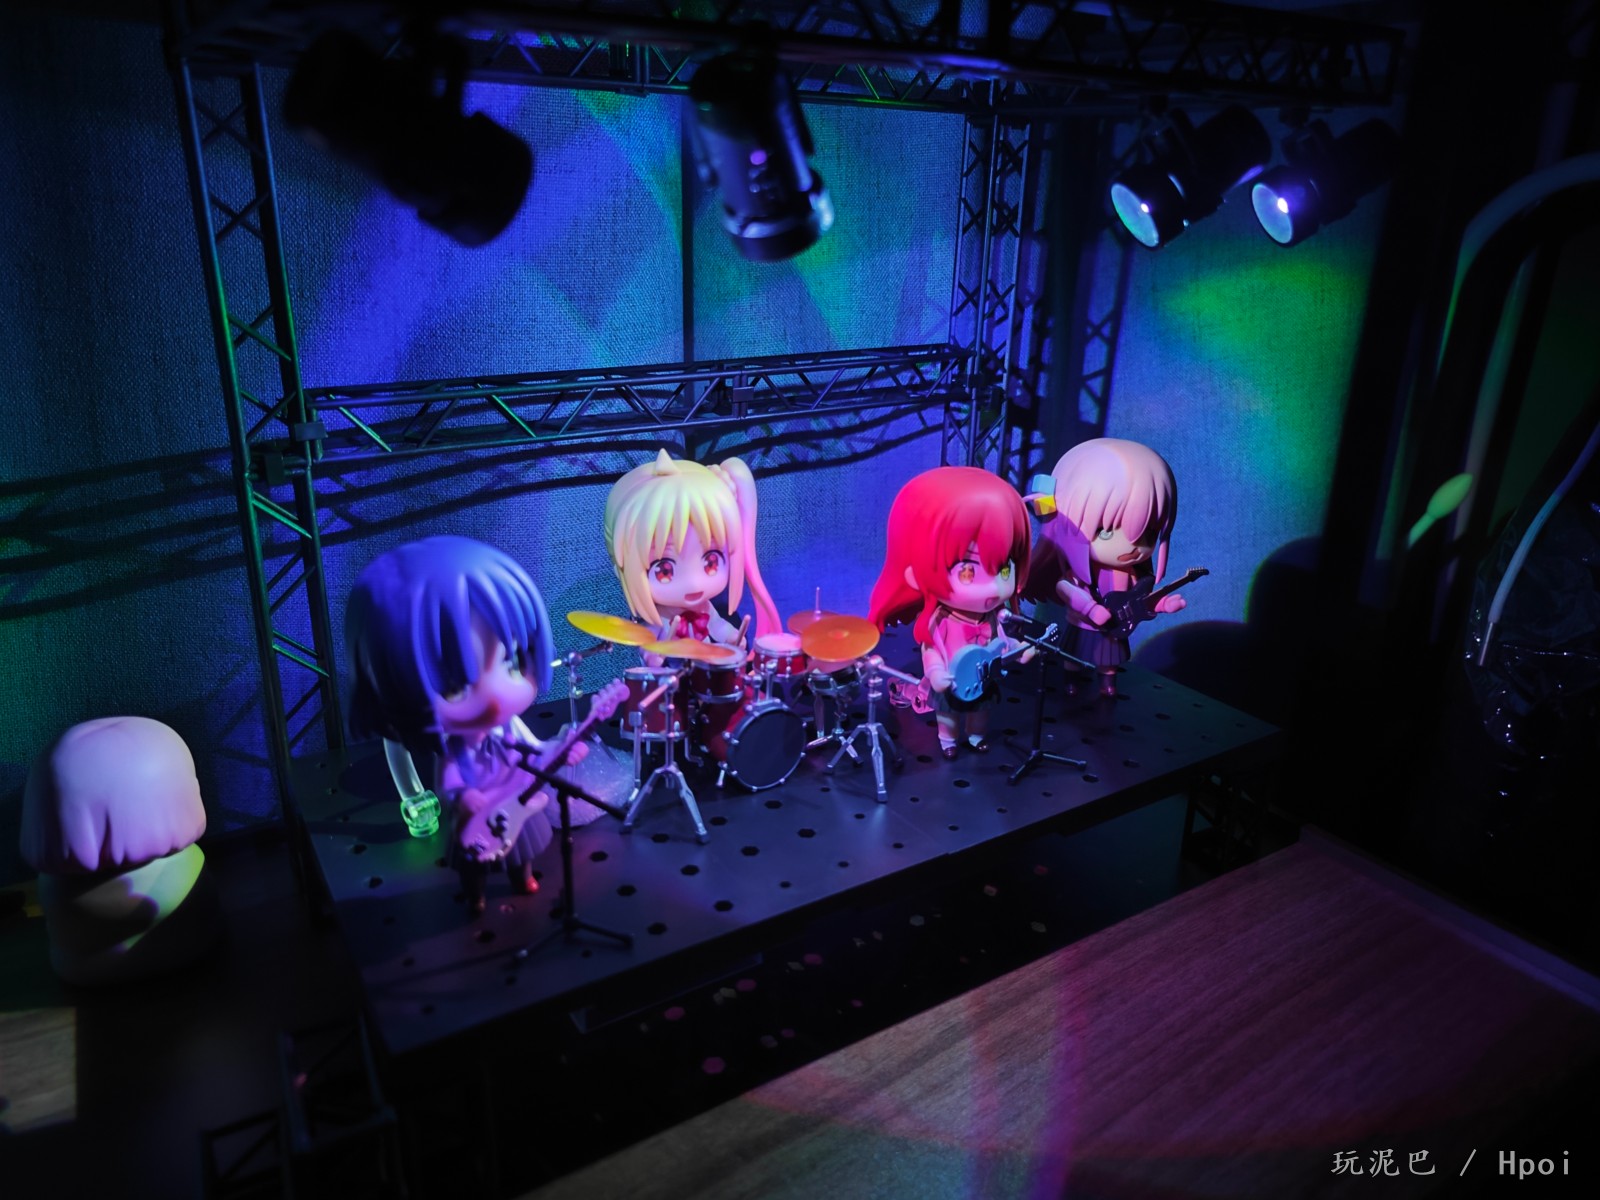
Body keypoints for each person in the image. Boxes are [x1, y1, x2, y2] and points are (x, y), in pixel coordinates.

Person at [346, 535, 584, 914]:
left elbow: (537, 751)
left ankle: (522, 878)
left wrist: (562, 749)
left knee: (521, 852)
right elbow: (449, 781)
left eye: (512, 663)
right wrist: (464, 797)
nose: (495, 697)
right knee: (476, 863)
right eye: (455, 686)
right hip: (478, 816)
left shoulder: (509, 728)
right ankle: (477, 895)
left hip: (515, 803)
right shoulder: (456, 748)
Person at [867, 466, 1035, 760]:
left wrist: (1018, 649)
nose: (992, 588)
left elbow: (1001, 641)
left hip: (981, 678)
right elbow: (931, 649)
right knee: (948, 713)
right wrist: (935, 672)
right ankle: (948, 741)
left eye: (1003, 569)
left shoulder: (993, 617)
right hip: (951, 679)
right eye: (967, 572)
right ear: (915, 571)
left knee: (981, 711)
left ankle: (976, 736)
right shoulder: (942, 620)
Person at [1024, 438, 1183, 696]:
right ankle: (1071, 679)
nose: (1133, 547)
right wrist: (1090, 608)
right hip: (1083, 625)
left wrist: (1163, 603)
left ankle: (1107, 684)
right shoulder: (1078, 573)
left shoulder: (1133, 574)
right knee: (1073, 656)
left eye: (1148, 533)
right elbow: (1066, 589)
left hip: (1113, 629)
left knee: (1109, 662)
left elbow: (1140, 600)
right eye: (1106, 531)